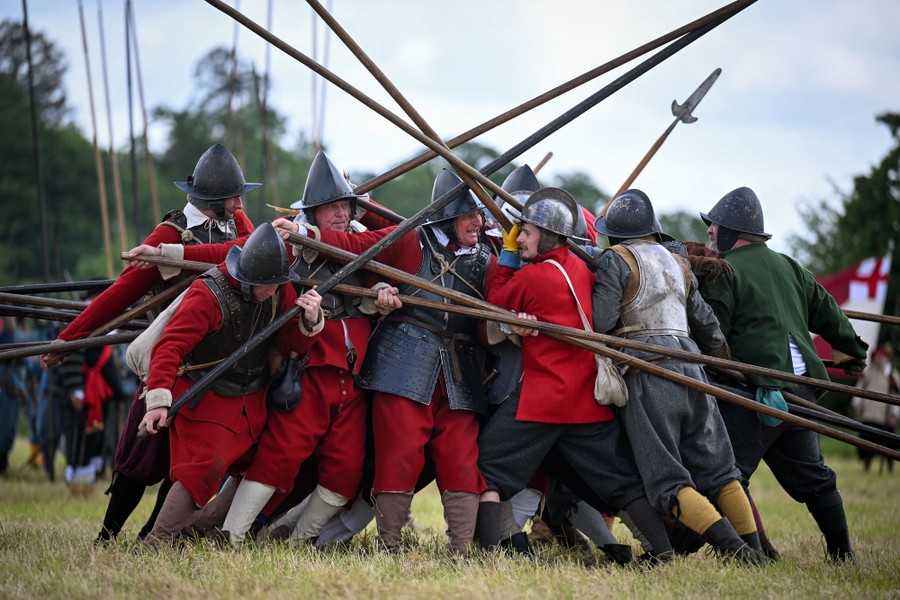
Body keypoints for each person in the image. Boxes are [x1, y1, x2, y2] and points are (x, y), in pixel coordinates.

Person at [40, 143, 260, 543]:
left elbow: (244, 252)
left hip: (212, 370)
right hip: (169, 361)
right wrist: (69, 339)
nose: (241, 202)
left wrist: (170, 256)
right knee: (139, 460)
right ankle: (106, 537)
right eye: (234, 196)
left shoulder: (236, 225)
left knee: (185, 465)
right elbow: (119, 295)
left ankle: (151, 538)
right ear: (215, 201)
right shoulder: (171, 231)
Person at [275, 168, 495, 556]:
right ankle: (388, 546)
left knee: (461, 458)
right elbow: (356, 247)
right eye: (468, 215)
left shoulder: (485, 257)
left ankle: (460, 551)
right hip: (405, 363)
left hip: (460, 371)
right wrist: (309, 234)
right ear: (446, 217)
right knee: (399, 455)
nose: (478, 222)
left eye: (478, 215)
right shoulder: (410, 239)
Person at [475, 187, 675, 563]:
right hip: (587, 400)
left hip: (542, 400)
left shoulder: (533, 278)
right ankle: (660, 551)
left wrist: (505, 256)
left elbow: (494, 305)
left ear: (547, 237)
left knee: (486, 469)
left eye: (526, 233)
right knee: (620, 482)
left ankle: (488, 553)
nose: (520, 239)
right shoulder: (585, 269)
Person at [592, 189, 765, 565]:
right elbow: (708, 327)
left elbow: (599, 324)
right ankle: (754, 550)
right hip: (692, 366)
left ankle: (736, 552)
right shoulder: (679, 263)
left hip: (648, 371)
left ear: (614, 235)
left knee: (667, 481)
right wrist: (724, 365)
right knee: (721, 471)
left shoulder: (613, 261)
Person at [699, 186, 869, 562]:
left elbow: (712, 336)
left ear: (732, 231)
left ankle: (750, 553)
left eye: (715, 226)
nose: (710, 232)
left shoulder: (723, 271)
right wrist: (852, 351)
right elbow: (829, 312)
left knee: (724, 474)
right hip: (801, 391)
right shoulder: (791, 266)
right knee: (814, 477)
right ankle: (842, 553)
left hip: (754, 391)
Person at [136, 222, 325, 550]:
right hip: (206, 397)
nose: (272, 292)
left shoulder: (279, 289)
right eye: (266, 287)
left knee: (270, 466)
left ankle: (196, 530)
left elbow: (288, 340)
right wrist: (158, 401)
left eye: (277, 286)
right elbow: (169, 348)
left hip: (251, 399)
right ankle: (157, 541)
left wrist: (309, 321)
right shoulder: (207, 294)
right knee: (203, 468)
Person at [220, 152, 373, 545]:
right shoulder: (288, 254)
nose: (341, 213)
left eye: (346, 205)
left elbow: (402, 238)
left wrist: (381, 294)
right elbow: (239, 270)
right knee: (279, 456)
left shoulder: (365, 246)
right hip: (306, 372)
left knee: (346, 471)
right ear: (313, 212)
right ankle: (231, 536)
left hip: (352, 380)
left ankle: (298, 541)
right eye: (331, 206)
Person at [851, 346, 899, 472]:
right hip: (870, 414)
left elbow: (897, 394)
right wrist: (858, 404)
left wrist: (894, 414)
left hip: (885, 415)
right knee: (866, 444)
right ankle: (866, 465)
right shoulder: (868, 372)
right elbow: (859, 389)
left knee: (889, 444)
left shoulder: (892, 374)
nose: (879, 359)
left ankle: (890, 468)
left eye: (881, 356)